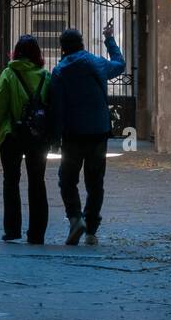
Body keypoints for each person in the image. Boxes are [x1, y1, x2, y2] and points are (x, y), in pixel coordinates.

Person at [47, 24, 124, 245]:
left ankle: (75, 218)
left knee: (67, 179)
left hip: (73, 134)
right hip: (98, 131)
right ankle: (91, 229)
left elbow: (58, 108)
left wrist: (54, 138)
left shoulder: (60, 71)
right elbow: (120, 65)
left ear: (62, 48)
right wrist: (109, 39)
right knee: (95, 181)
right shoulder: (96, 63)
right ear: (82, 43)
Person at [0, 35, 51, 245]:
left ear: (16, 52)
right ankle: (37, 234)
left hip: (11, 134)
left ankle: (12, 229)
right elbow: (50, 108)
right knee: (37, 183)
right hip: (37, 137)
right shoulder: (45, 76)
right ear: (37, 54)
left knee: (11, 182)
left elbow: (0, 108)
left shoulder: (8, 74)